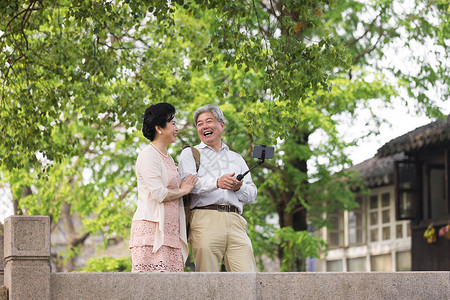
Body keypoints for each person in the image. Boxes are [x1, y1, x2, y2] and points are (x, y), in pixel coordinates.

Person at [178, 104, 257, 272]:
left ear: (221, 125)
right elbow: (188, 184)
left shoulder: (236, 158)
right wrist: (217, 183)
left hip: (236, 221)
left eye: (209, 121)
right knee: (207, 281)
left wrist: (238, 187)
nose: (204, 126)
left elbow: (251, 194)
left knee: (248, 278)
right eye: (199, 124)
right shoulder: (190, 154)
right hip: (205, 219)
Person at [129, 102, 198, 272]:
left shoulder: (167, 156)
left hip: (170, 232)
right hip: (151, 232)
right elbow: (158, 193)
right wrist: (184, 190)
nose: (177, 128)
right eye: (173, 123)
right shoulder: (148, 155)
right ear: (159, 128)